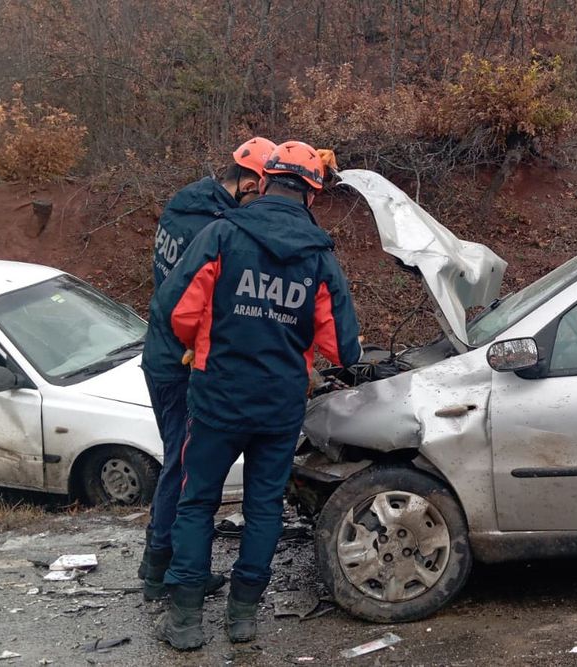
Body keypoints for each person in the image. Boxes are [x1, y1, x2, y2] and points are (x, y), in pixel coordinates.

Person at [153, 141, 362, 650]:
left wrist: (204, 343)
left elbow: (176, 310)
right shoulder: (319, 256)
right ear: (311, 195)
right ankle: (242, 618)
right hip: (279, 406)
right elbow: (344, 347)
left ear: (263, 182)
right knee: (265, 507)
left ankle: (184, 621)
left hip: (216, 398)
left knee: (197, 502)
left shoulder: (221, 235)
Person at [138, 137, 277, 601]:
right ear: (252, 182)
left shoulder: (186, 203)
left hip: (160, 351)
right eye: (265, 191)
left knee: (180, 457)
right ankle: (162, 569)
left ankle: (166, 560)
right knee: (182, 462)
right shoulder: (212, 228)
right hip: (176, 359)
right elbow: (201, 305)